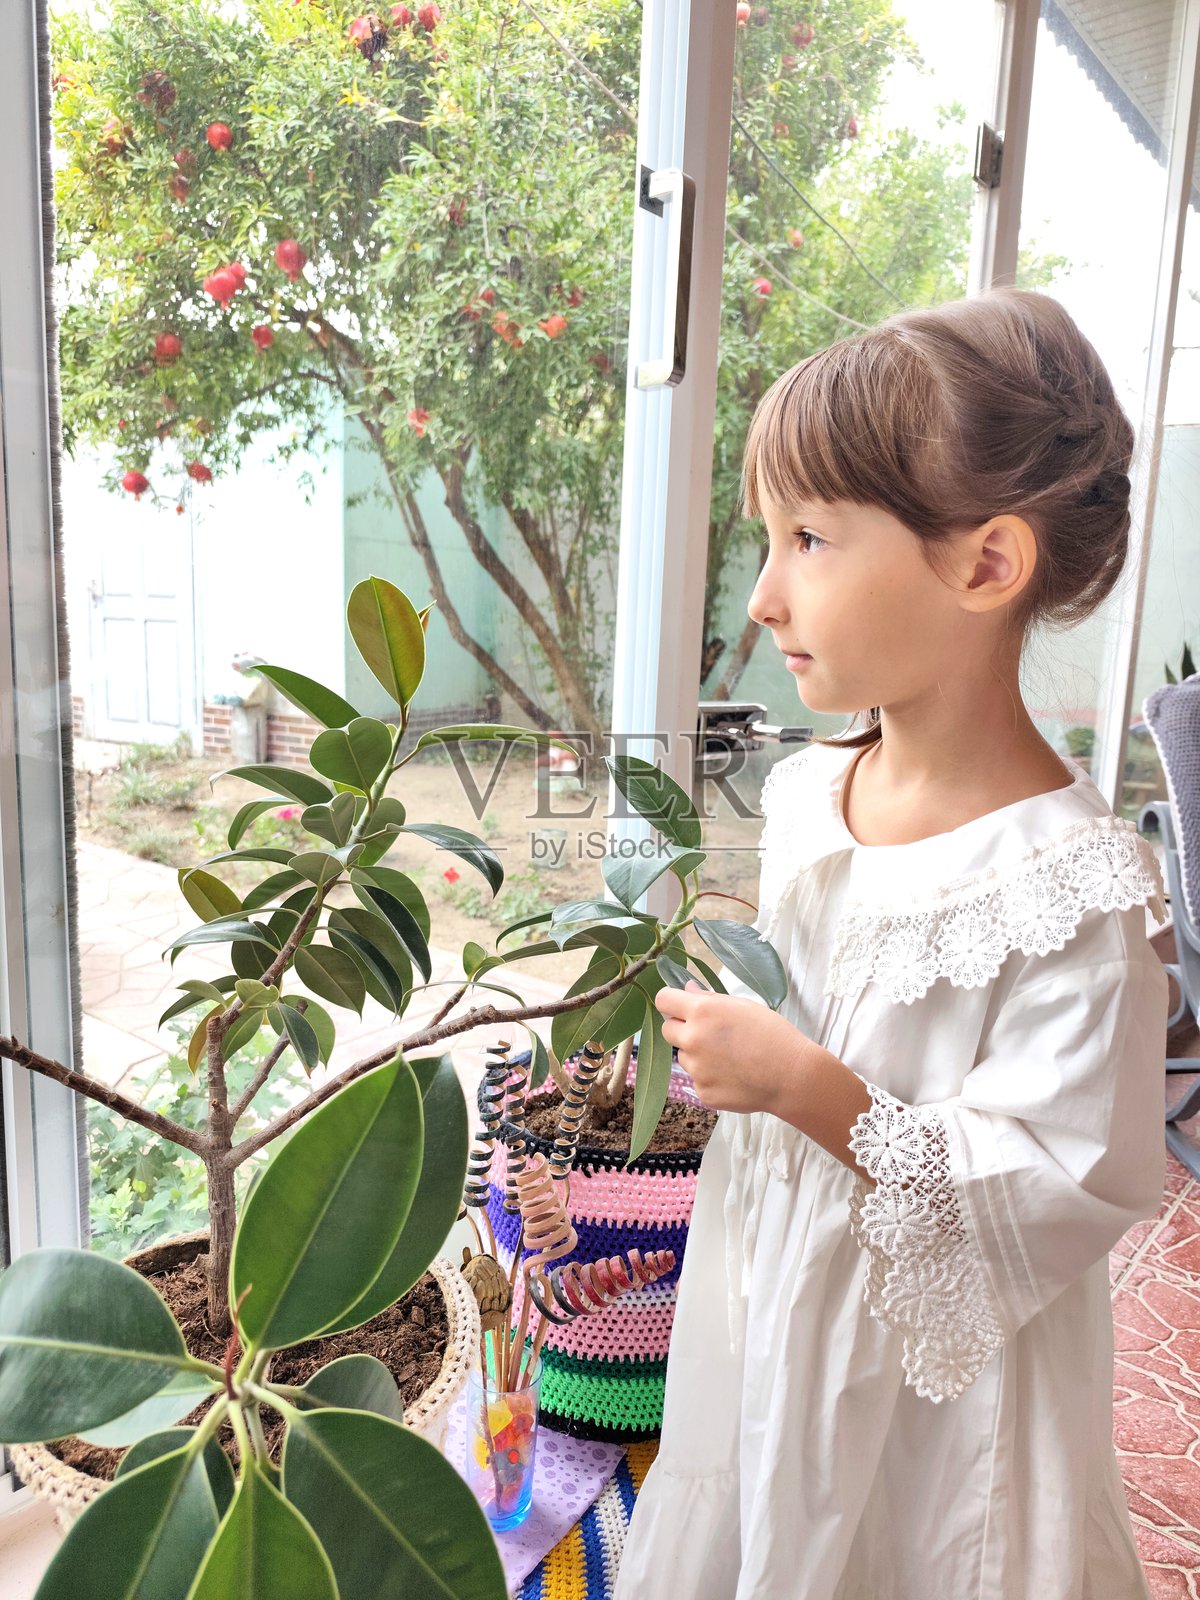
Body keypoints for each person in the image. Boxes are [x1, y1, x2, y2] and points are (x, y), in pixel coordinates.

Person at [612, 287, 1170, 1600]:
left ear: (985, 564)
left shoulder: (1077, 895)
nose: (762, 595)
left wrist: (808, 1087)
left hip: (940, 1388)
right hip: (778, 1303)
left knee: (891, 1543)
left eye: (809, 538)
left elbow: (1058, 1185)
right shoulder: (815, 791)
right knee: (767, 1504)